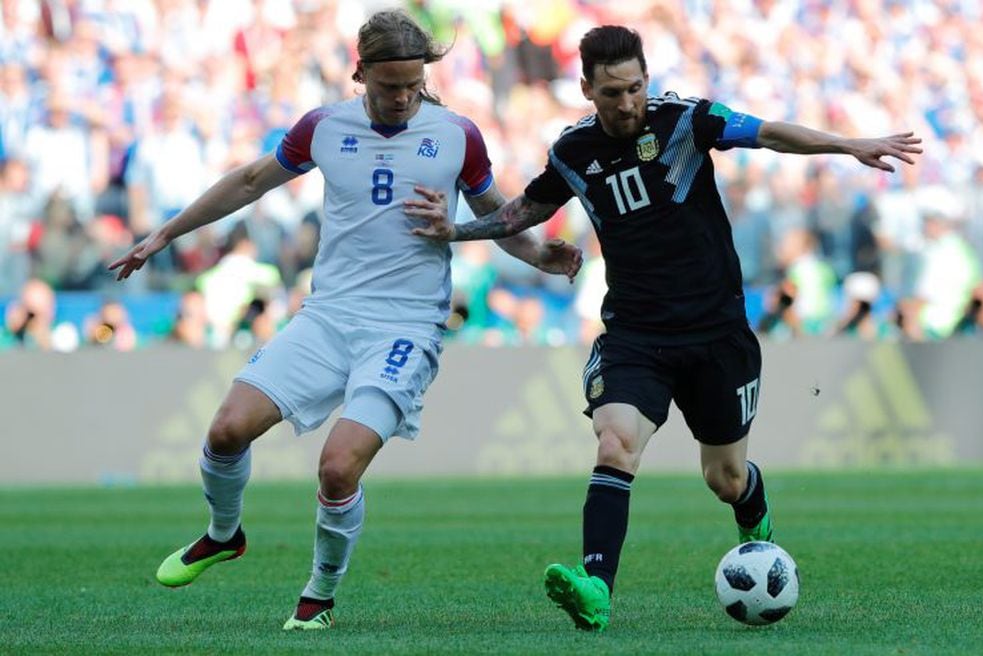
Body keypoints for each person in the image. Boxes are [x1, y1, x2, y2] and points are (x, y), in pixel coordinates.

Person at [411, 25, 922, 632]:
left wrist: (848, 145)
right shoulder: (574, 153)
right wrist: (455, 232)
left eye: (633, 89)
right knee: (614, 444)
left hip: (717, 334)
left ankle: (753, 516)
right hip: (636, 334)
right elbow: (524, 210)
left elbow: (768, 133)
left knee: (725, 479)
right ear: (586, 89)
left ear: (647, 81)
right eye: (610, 94)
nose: (625, 104)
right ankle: (596, 588)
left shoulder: (685, 121)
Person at [108, 9, 581, 632]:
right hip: (328, 316)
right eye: (389, 86)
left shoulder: (456, 134)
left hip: (407, 327)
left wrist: (543, 254)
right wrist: (165, 232)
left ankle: (319, 596)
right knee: (225, 431)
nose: (404, 97)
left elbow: (503, 214)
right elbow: (251, 181)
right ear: (360, 73)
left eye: (414, 84)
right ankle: (224, 535)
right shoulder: (324, 128)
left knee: (337, 466)